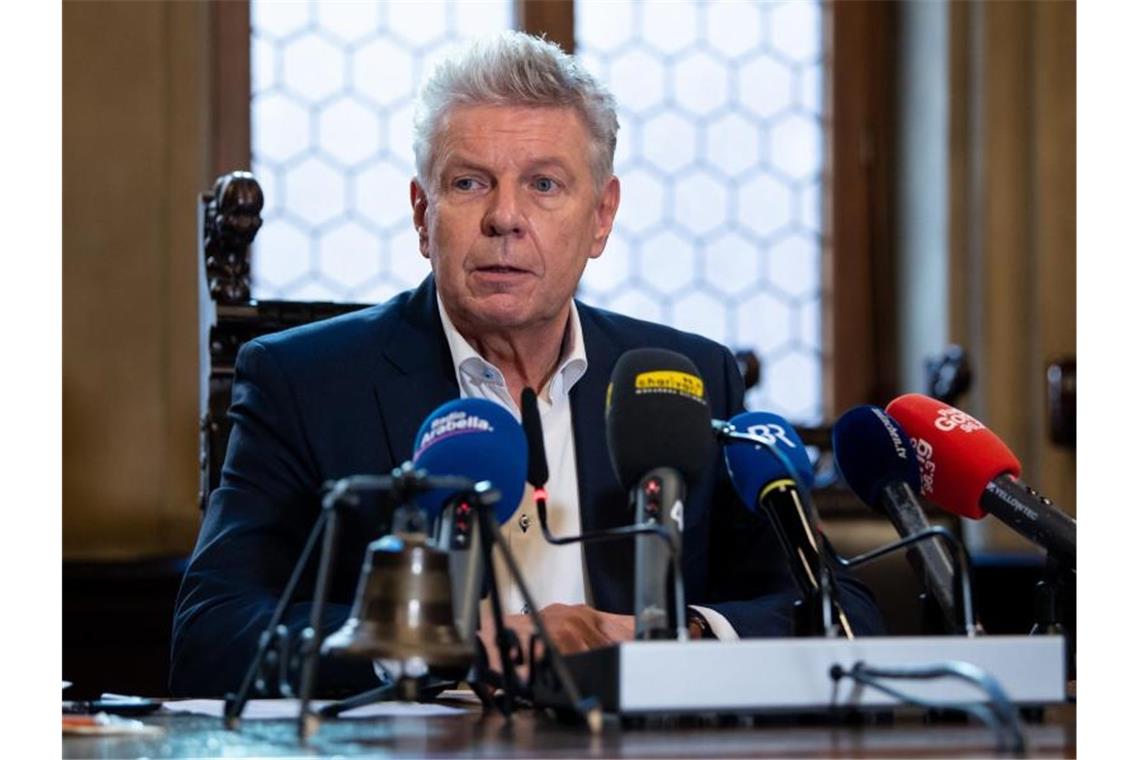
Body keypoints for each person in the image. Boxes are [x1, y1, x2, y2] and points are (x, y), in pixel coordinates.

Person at [170, 31, 883, 698]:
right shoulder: (306, 384)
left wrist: (676, 638)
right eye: (470, 184)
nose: (505, 218)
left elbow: (843, 609)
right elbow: (211, 635)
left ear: (601, 216)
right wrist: (443, 645)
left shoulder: (685, 381)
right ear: (422, 215)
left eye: (544, 185)